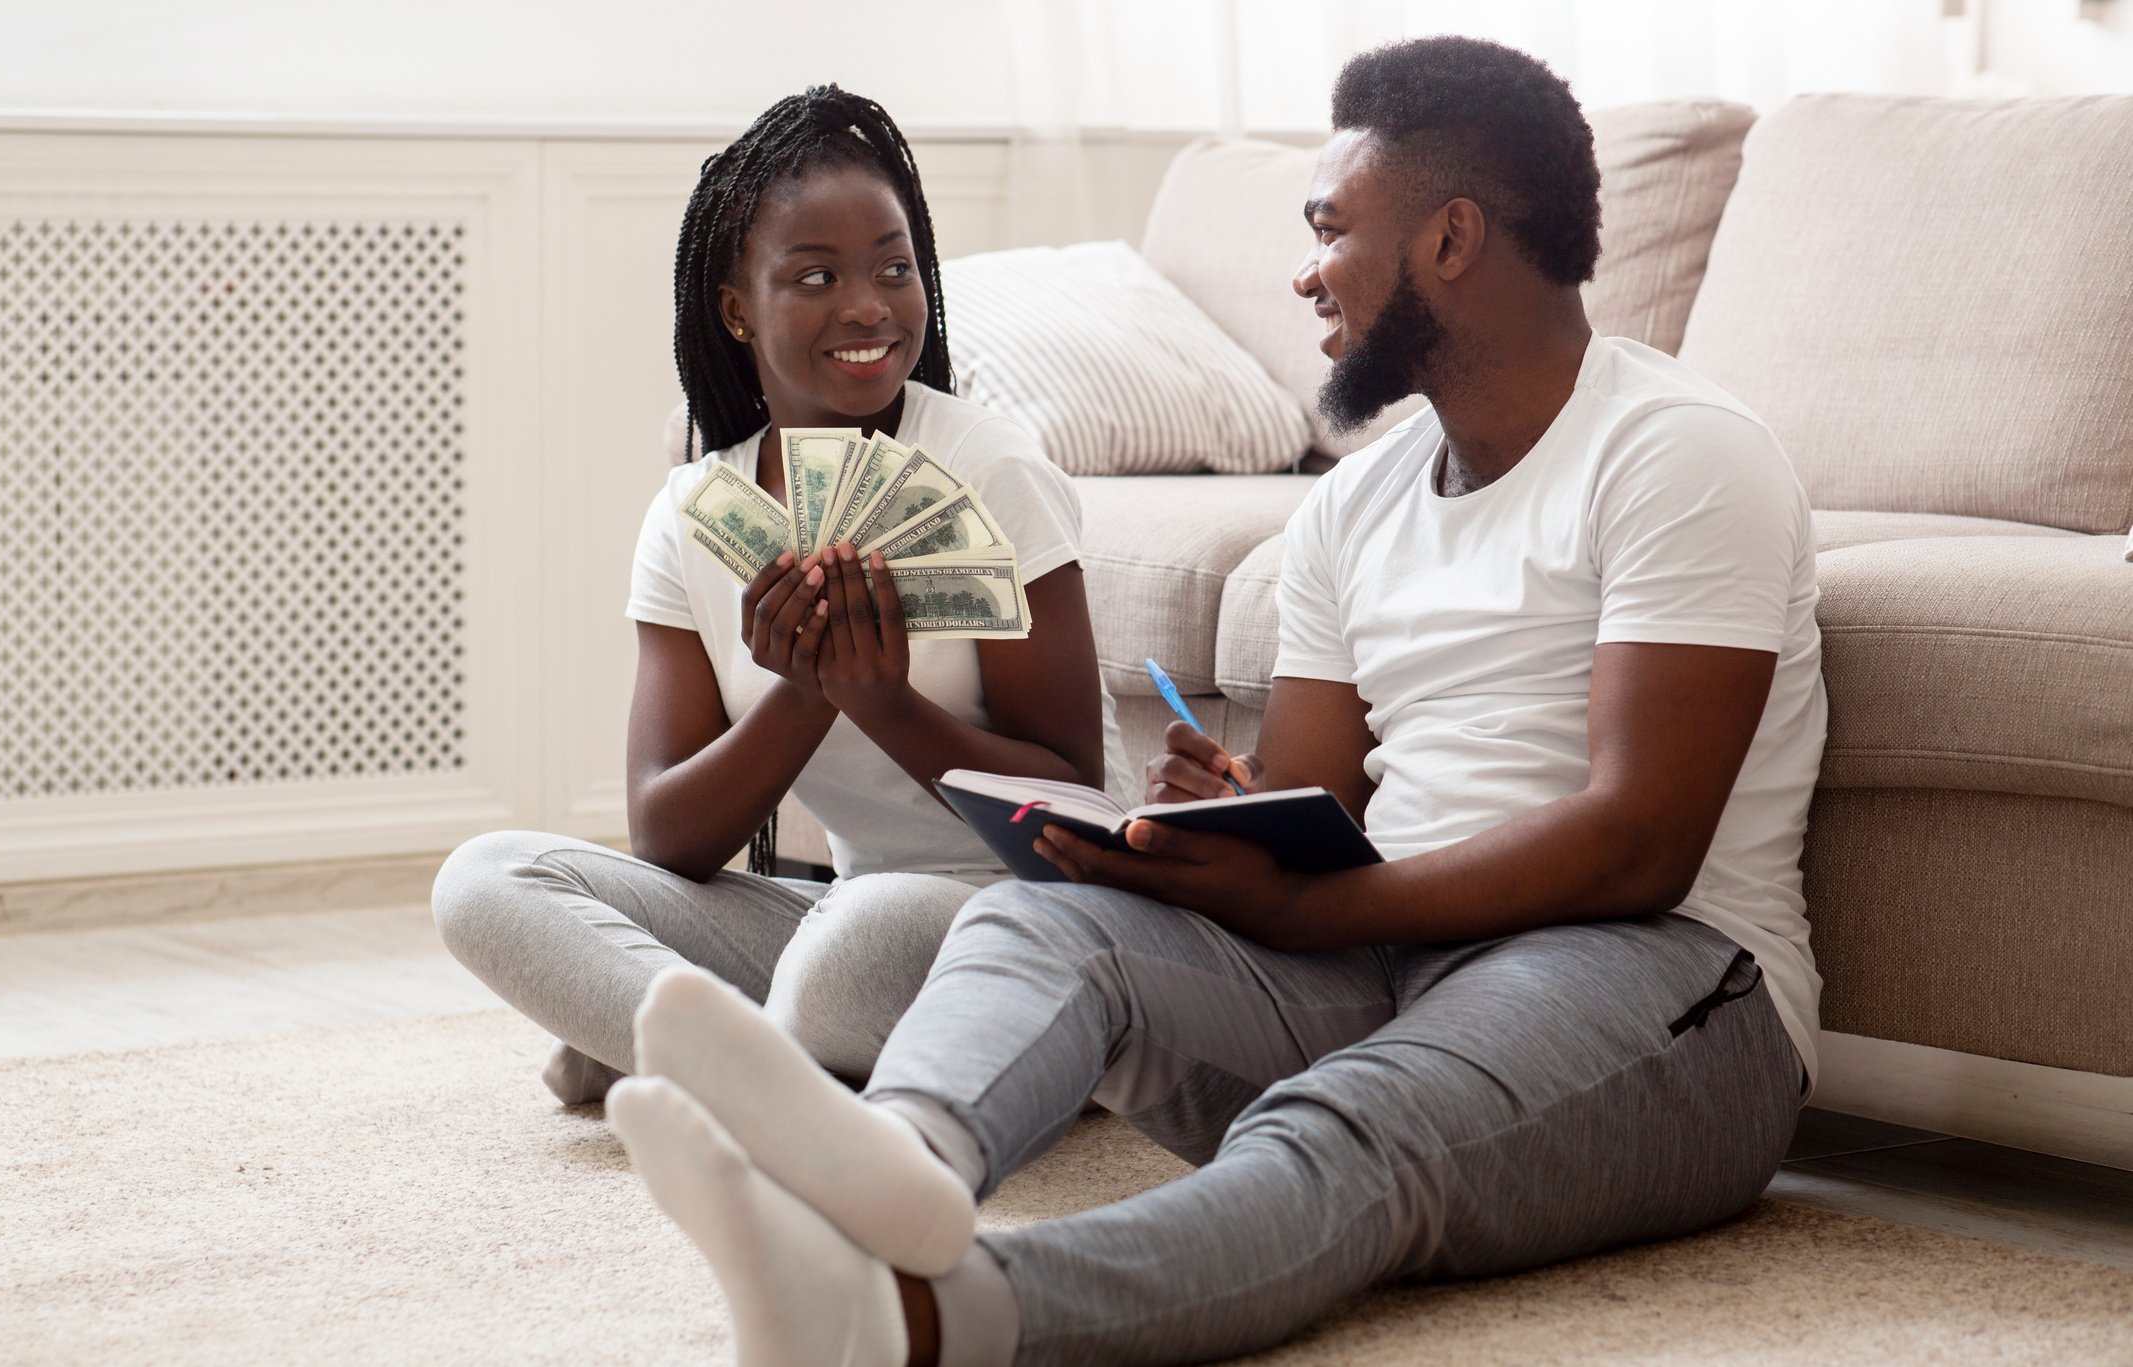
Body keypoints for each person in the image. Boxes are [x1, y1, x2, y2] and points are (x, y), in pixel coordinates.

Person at [603, 35, 1829, 1367]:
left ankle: (922, 1316)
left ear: (1450, 238)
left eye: (1329, 229)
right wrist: (1215, 825)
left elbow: (1638, 843)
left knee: (1342, 1127)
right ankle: (895, 1163)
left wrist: (1310, 906)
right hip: (1382, 960)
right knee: (1037, 917)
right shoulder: (1354, 502)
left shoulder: (1675, 454)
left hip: (1656, 977)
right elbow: (1310, 804)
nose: (1305, 272)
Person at [433, 85, 1129, 1104]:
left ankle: (671, 1040)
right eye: (815, 276)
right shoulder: (692, 513)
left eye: (894, 268)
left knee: (845, 957)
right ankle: (756, 1065)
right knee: (486, 877)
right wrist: (802, 693)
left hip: (1021, 917)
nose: (868, 306)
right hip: (847, 912)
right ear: (736, 309)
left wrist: (881, 701)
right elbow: (668, 836)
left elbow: (1071, 807)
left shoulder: (991, 471)